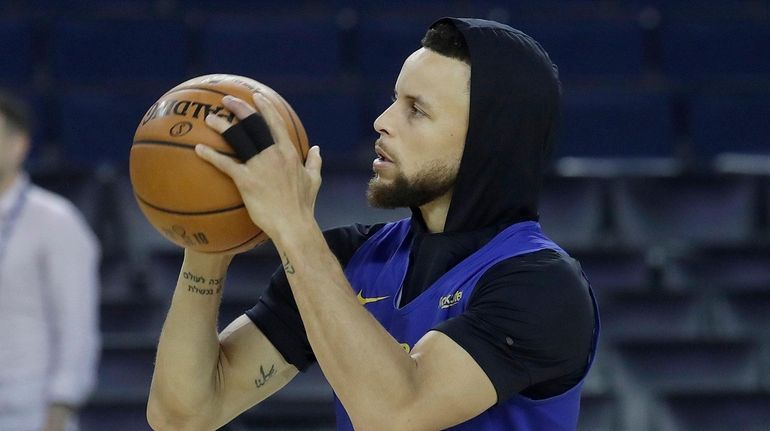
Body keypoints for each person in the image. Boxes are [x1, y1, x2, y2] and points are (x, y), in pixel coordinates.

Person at [148, 17, 598, 431]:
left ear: (488, 141)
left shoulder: (542, 286)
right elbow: (183, 416)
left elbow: (393, 415)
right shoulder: (348, 259)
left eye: (416, 110)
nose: (382, 122)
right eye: (393, 100)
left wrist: (291, 225)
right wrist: (206, 243)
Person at [0, 91, 101, 431]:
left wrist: (61, 405)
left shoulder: (56, 220)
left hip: (30, 410)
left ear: (19, 145)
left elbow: (77, 322)